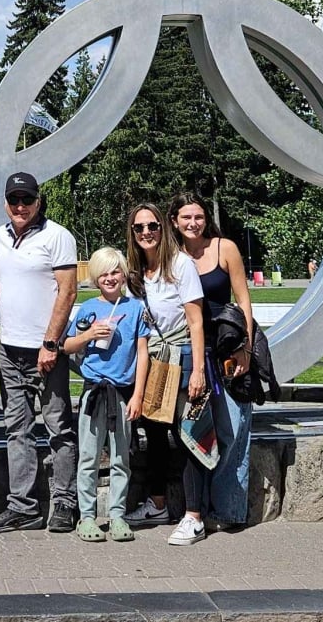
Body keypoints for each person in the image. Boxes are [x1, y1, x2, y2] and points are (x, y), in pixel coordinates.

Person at [0, 172, 79, 534]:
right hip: (10, 349)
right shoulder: (0, 235)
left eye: (27, 199)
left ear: (39, 201)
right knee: (17, 430)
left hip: (46, 351)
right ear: (6, 203)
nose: (20, 206)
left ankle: (64, 503)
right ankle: (22, 507)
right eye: (14, 200)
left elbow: (67, 293)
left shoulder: (57, 236)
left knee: (58, 429)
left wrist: (51, 343)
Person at [122, 202, 208, 546]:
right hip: (154, 360)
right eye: (139, 228)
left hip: (182, 357)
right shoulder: (135, 273)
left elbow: (196, 321)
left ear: (164, 228)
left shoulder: (181, 265)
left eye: (153, 226)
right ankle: (158, 504)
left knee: (188, 436)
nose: (147, 233)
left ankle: (195, 516)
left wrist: (198, 370)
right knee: (155, 435)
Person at [170, 192, 255, 530]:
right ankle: (198, 510)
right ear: (174, 220)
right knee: (196, 433)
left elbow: (243, 299)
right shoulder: (171, 256)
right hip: (189, 351)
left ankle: (228, 510)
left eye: (199, 217)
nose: (193, 223)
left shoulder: (225, 248)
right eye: (186, 217)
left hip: (225, 348)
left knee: (233, 430)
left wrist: (245, 348)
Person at [64, 246, 149, 542]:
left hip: (123, 394)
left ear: (124, 275)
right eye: (104, 274)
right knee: (88, 457)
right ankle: (87, 516)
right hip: (94, 393)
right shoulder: (89, 308)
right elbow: (68, 346)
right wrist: (88, 336)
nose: (110, 278)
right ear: (96, 277)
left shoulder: (136, 308)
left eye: (115, 272)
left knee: (120, 458)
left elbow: (142, 352)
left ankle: (116, 514)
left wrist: (138, 395)